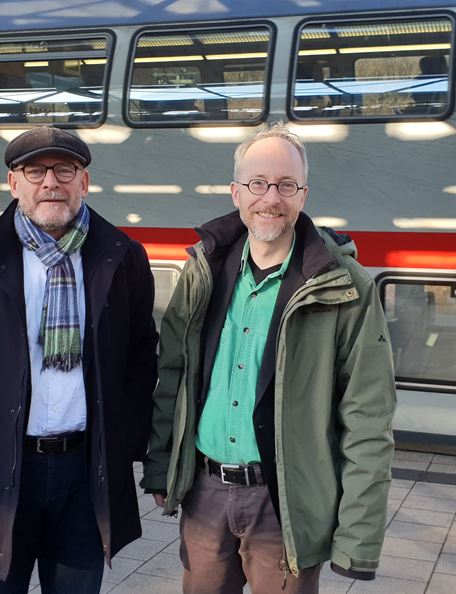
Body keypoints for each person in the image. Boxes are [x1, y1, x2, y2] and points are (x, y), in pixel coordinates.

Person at [142, 121, 397, 594]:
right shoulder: (202, 273)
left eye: (285, 185)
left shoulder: (348, 288)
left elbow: (368, 417)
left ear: (303, 195)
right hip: (205, 494)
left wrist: (357, 536)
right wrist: (162, 466)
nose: (270, 198)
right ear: (236, 192)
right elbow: (172, 379)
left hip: (287, 504)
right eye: (258, 184)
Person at [0, 126, 158, 594]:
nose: (51, 182)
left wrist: (124, 435)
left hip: (86, 472)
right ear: (14, 183)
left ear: (83, 183)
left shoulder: (122, 258)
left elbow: (140, 353)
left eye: (65, 170)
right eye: (35, 170)